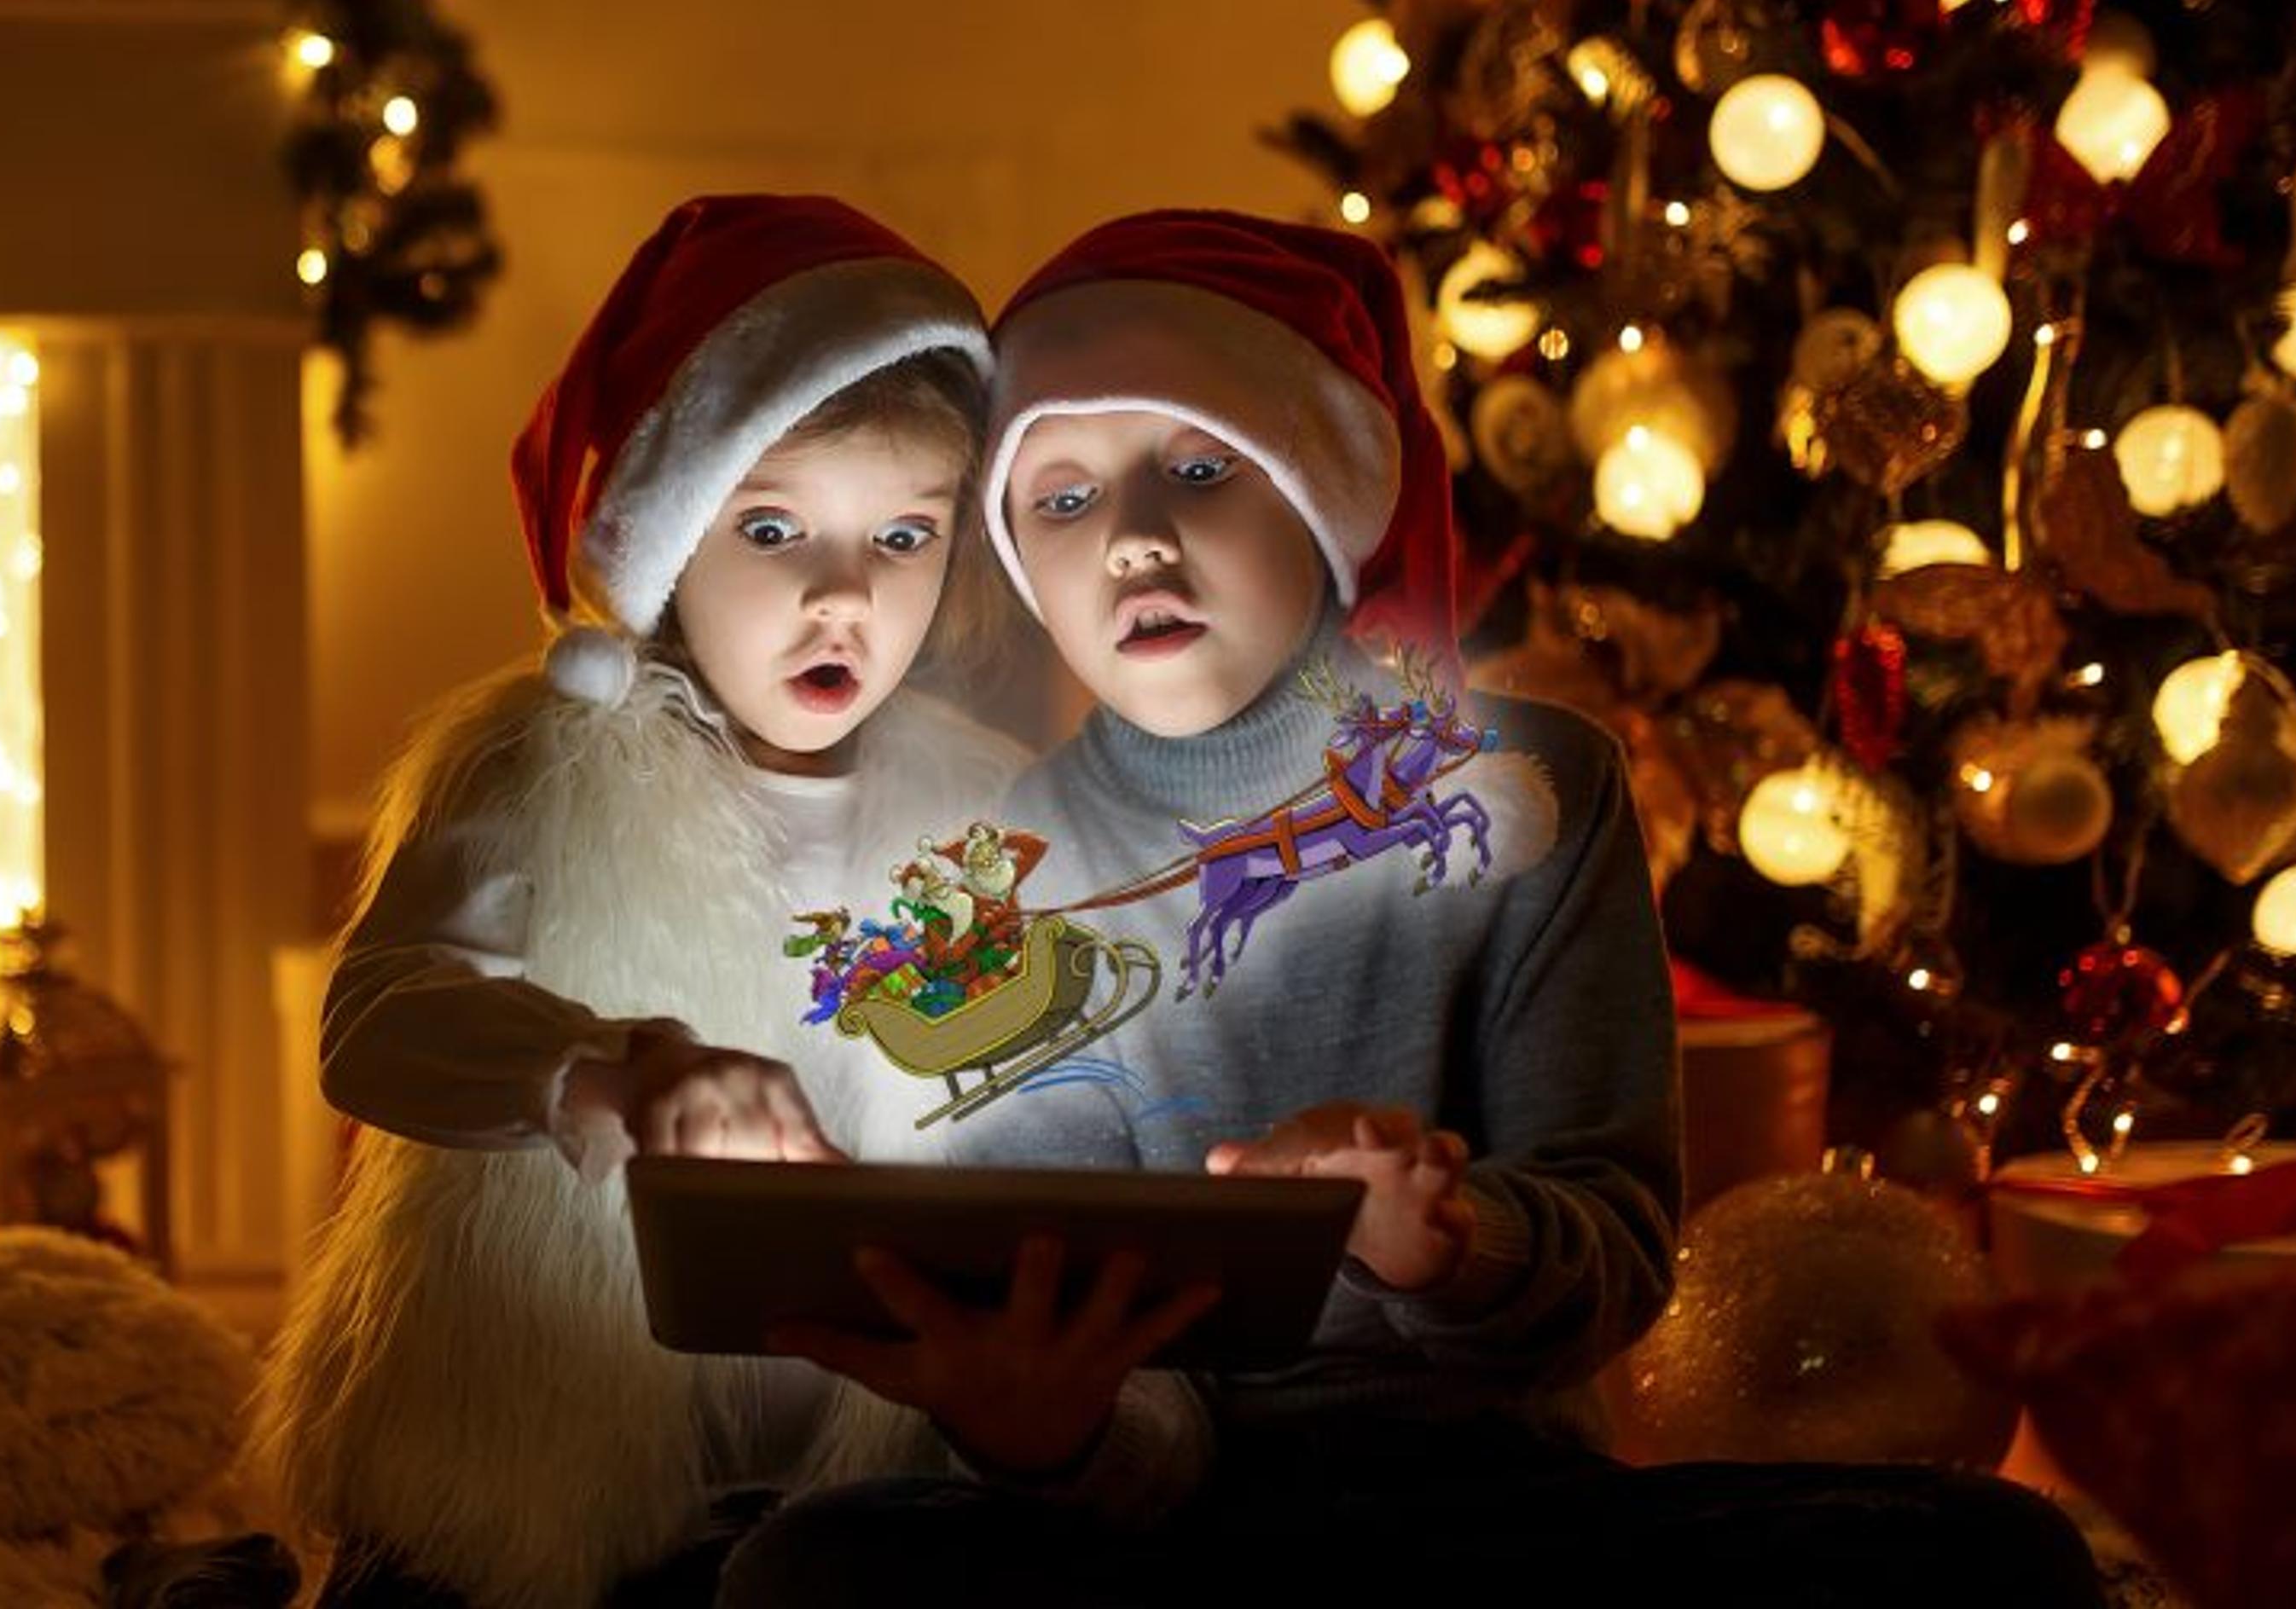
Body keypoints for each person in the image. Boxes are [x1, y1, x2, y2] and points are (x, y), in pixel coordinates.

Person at [734, 211, 2102, 1606]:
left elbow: (1615, 1253)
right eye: (1066, 499)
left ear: (1321, 501)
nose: (1135, 541)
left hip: (1498, 1514)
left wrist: (1437, 1244)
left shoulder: (1537, 790)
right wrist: (1050, 1436)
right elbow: (1058, 1356)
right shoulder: (989, 876)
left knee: (1998, 1558)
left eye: (1200, 470)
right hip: (1154, 1528)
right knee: (809, 1568)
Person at [257, 194, 1029, 1609]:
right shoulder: (542, 760)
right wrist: (595, 1066)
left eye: (903, 538)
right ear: (670, 539)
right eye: (778, 529)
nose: (844, 597)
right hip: (543, 1478)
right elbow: (379, 1017)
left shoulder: (990, 815)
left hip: (843, 1479)